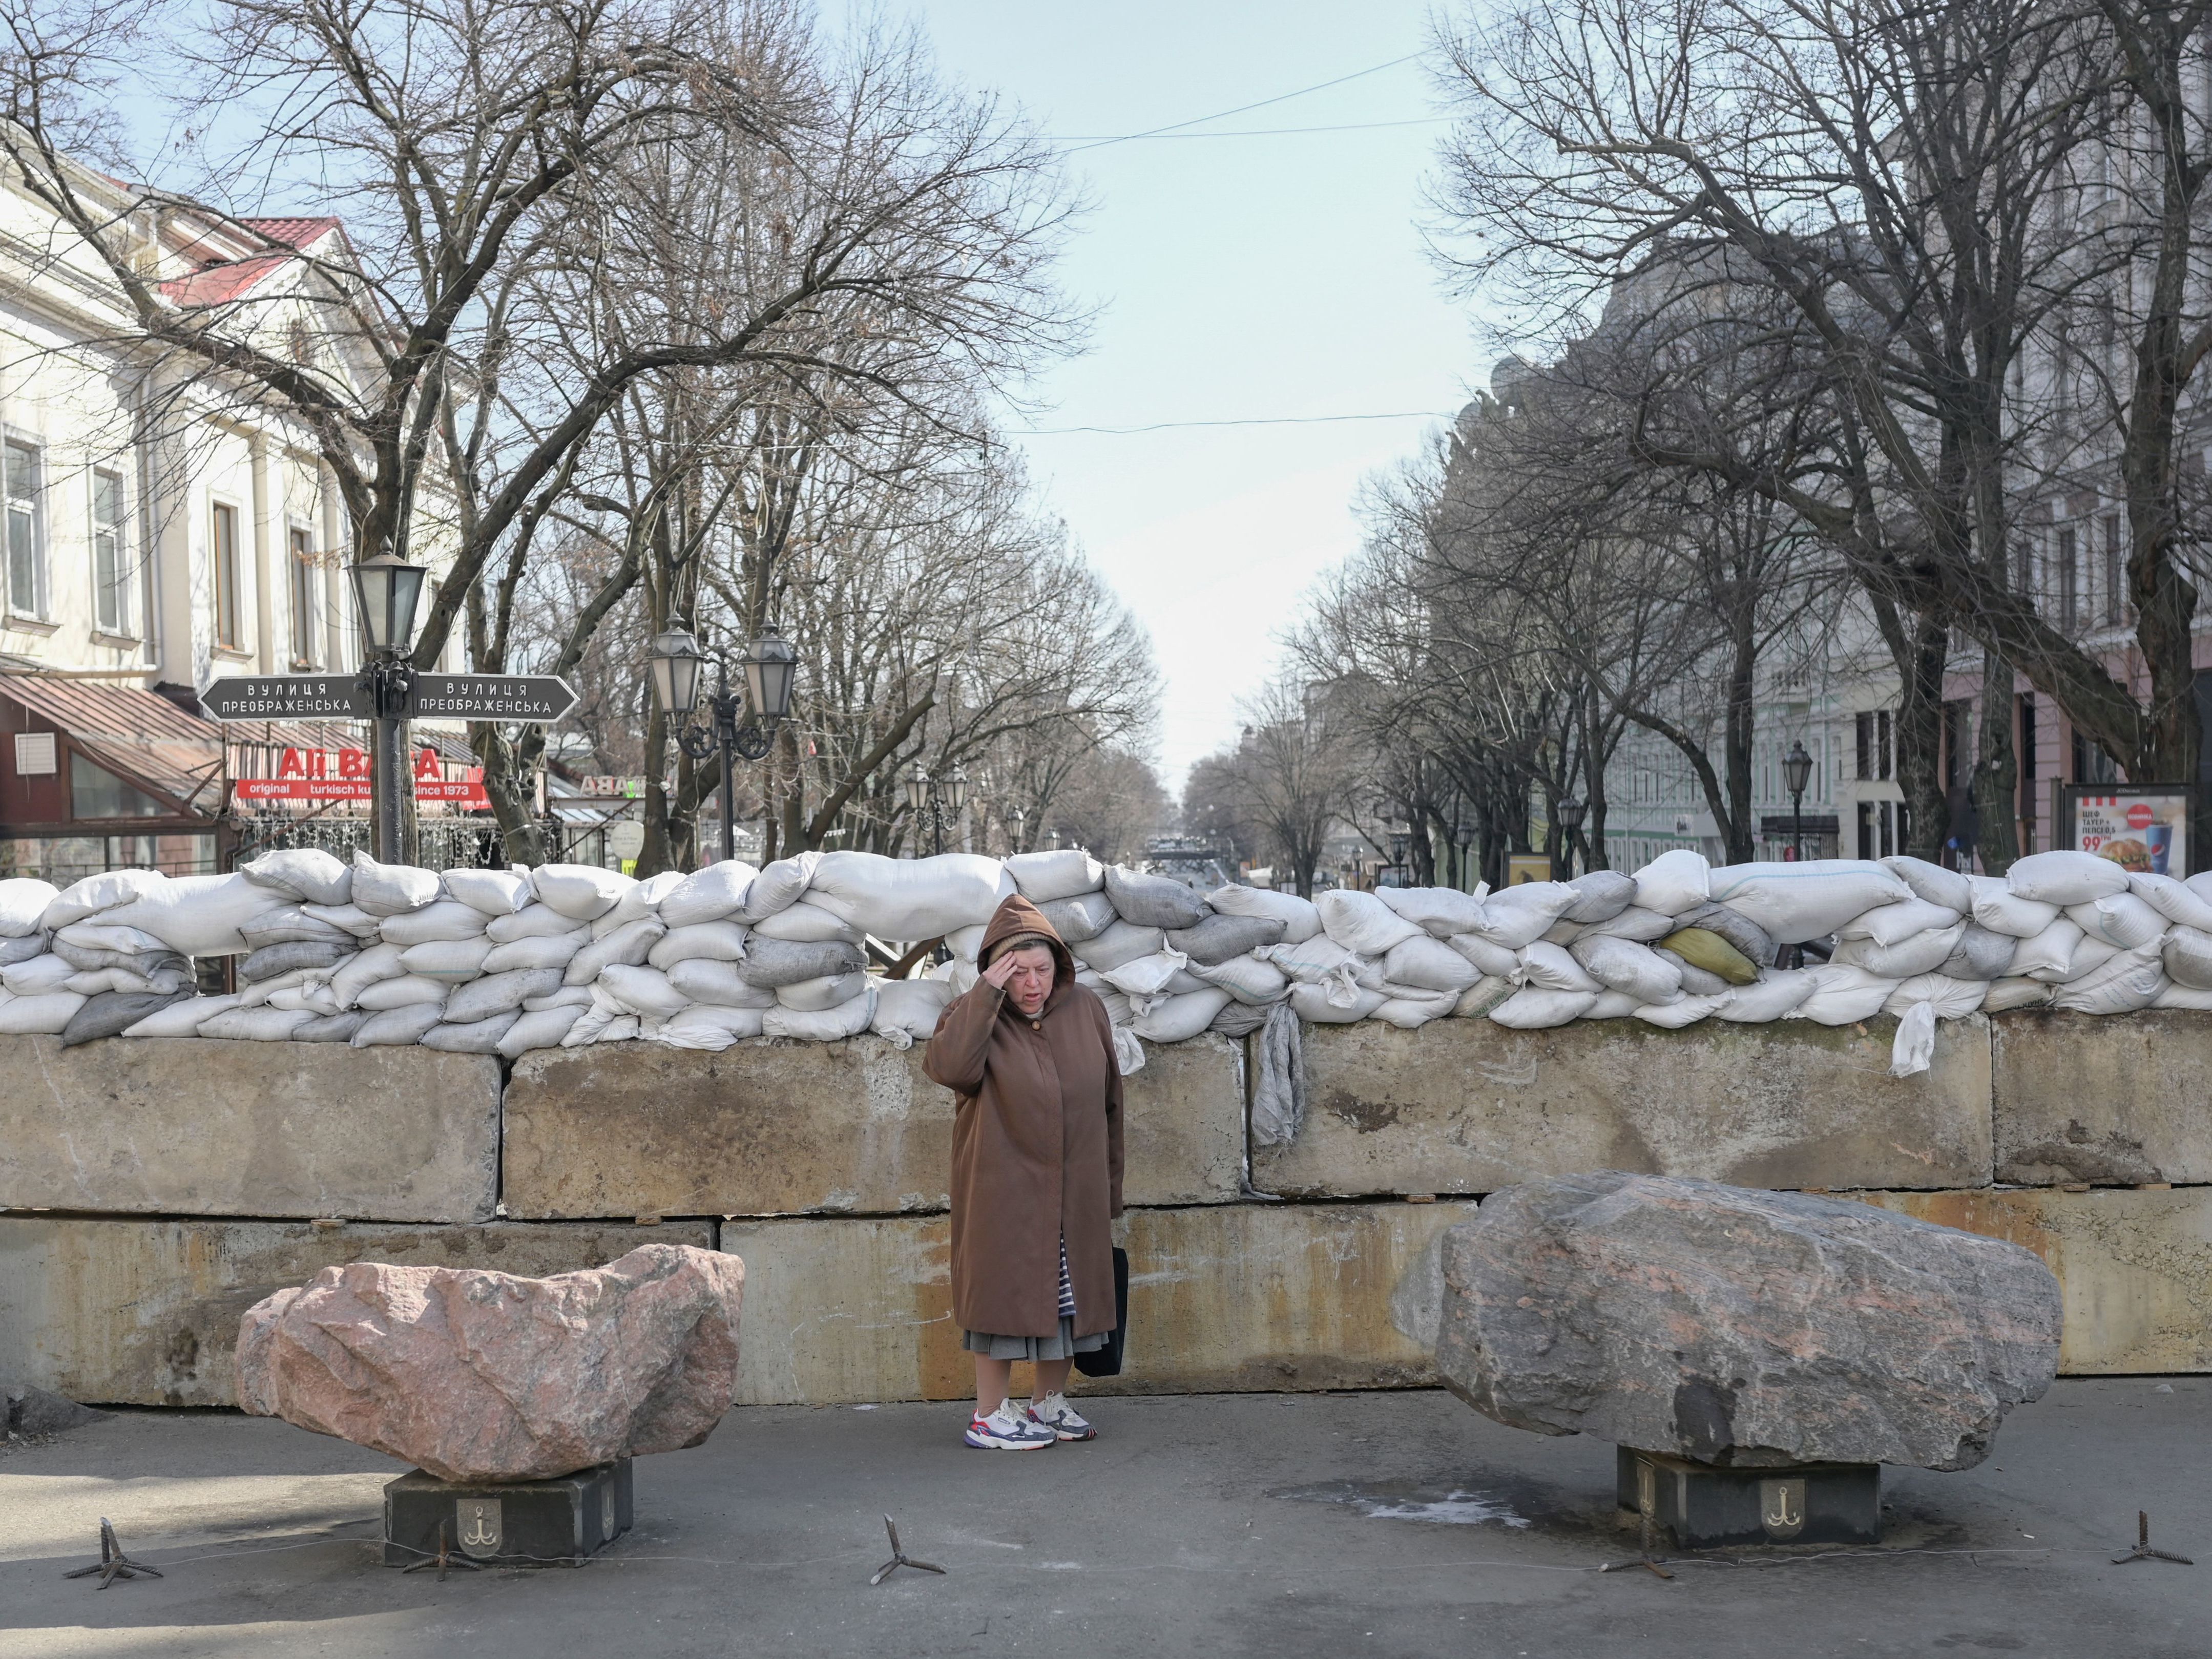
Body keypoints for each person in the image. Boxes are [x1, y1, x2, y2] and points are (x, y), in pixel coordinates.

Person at [922, 893, 1123, 1450]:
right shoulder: (970, 1015)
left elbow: (1110, 1099)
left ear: (1058, 967)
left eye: (1042, 969)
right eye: (1018, 971)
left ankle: (1047, 1403)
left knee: (1069, 1299)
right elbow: (950, 1068)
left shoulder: (1085, 1008)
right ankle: (989, 1415)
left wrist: (1108, 1186)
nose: (1032, 982)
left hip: (1075, 1186)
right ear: (997, 970)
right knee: (1003, 1301)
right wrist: (986, 993)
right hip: (1003, 1190)